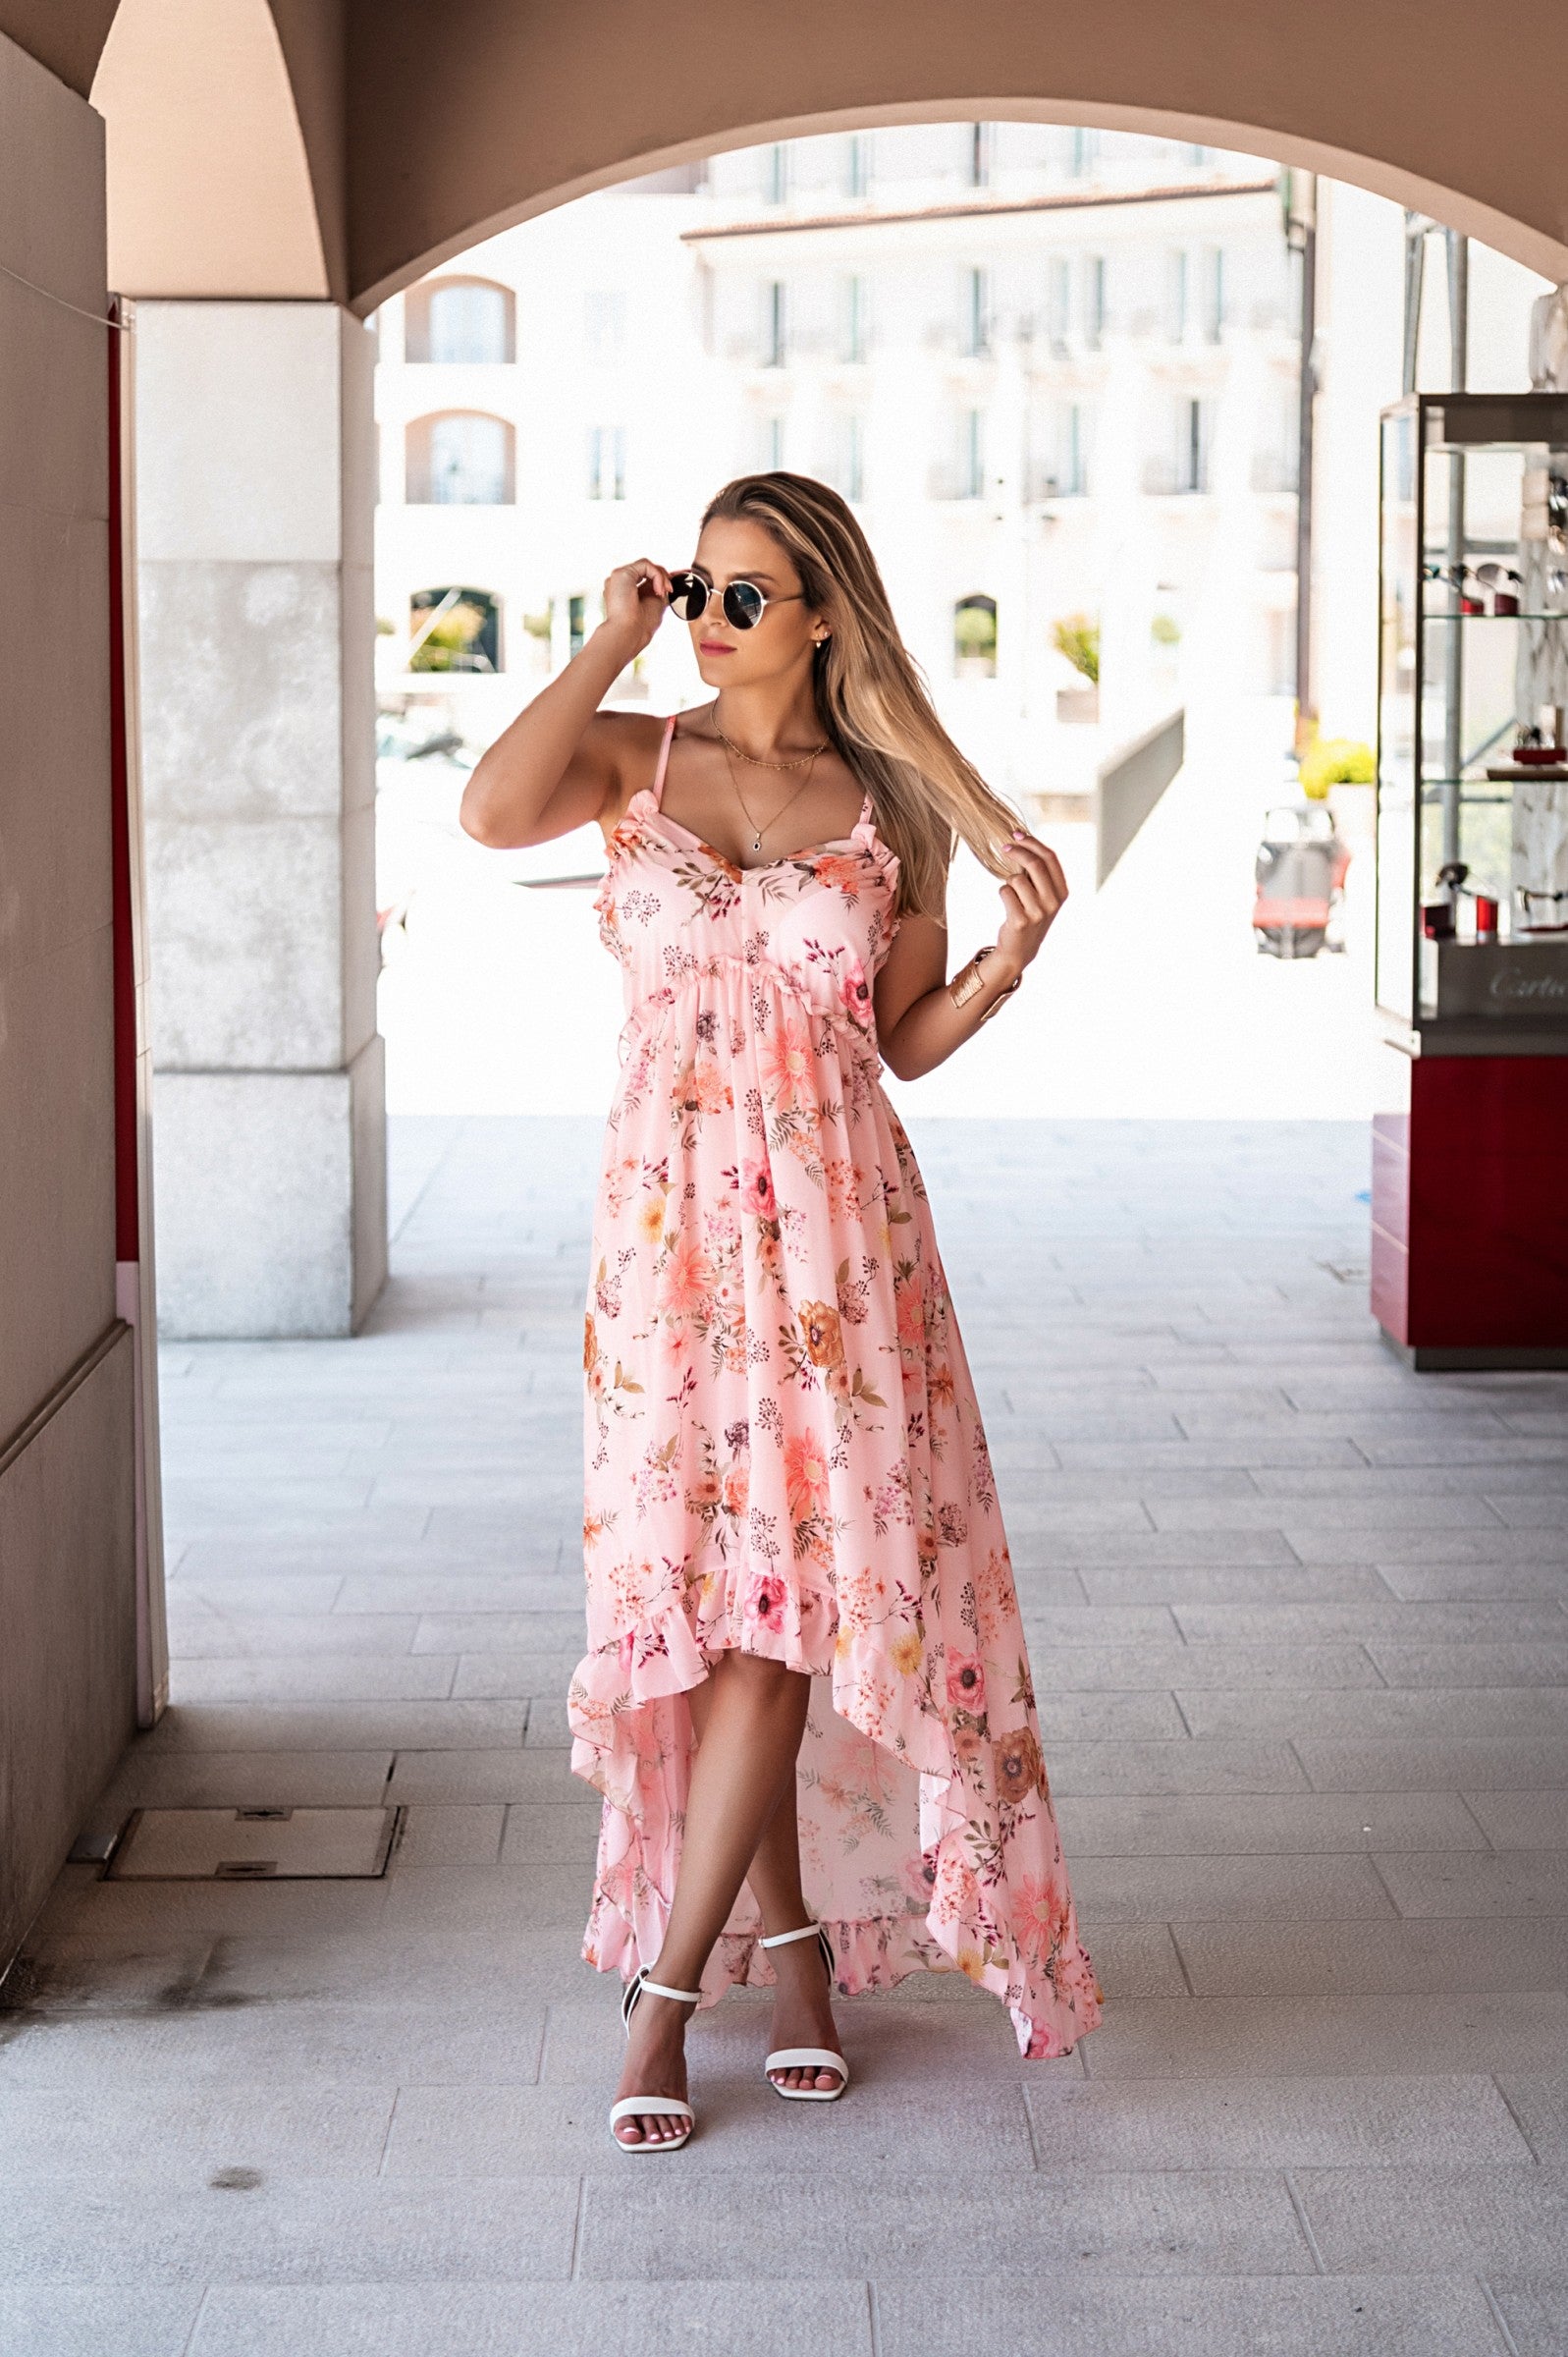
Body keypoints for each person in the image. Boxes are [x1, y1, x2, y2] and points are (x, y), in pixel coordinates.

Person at [460, 472, 1101, 2153]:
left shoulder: (890, 802)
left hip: (837, 1259)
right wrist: (610, 632)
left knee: (776, 1619)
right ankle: (797, 1959)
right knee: (721, 1615)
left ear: (822, 613)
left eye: (748, 594)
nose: (713, 619)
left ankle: (669, 1999)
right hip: (667, 1262)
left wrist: (1008, 961)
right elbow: (488, 808)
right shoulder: (638, 757)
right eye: (702, 590)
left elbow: (895, 1044)